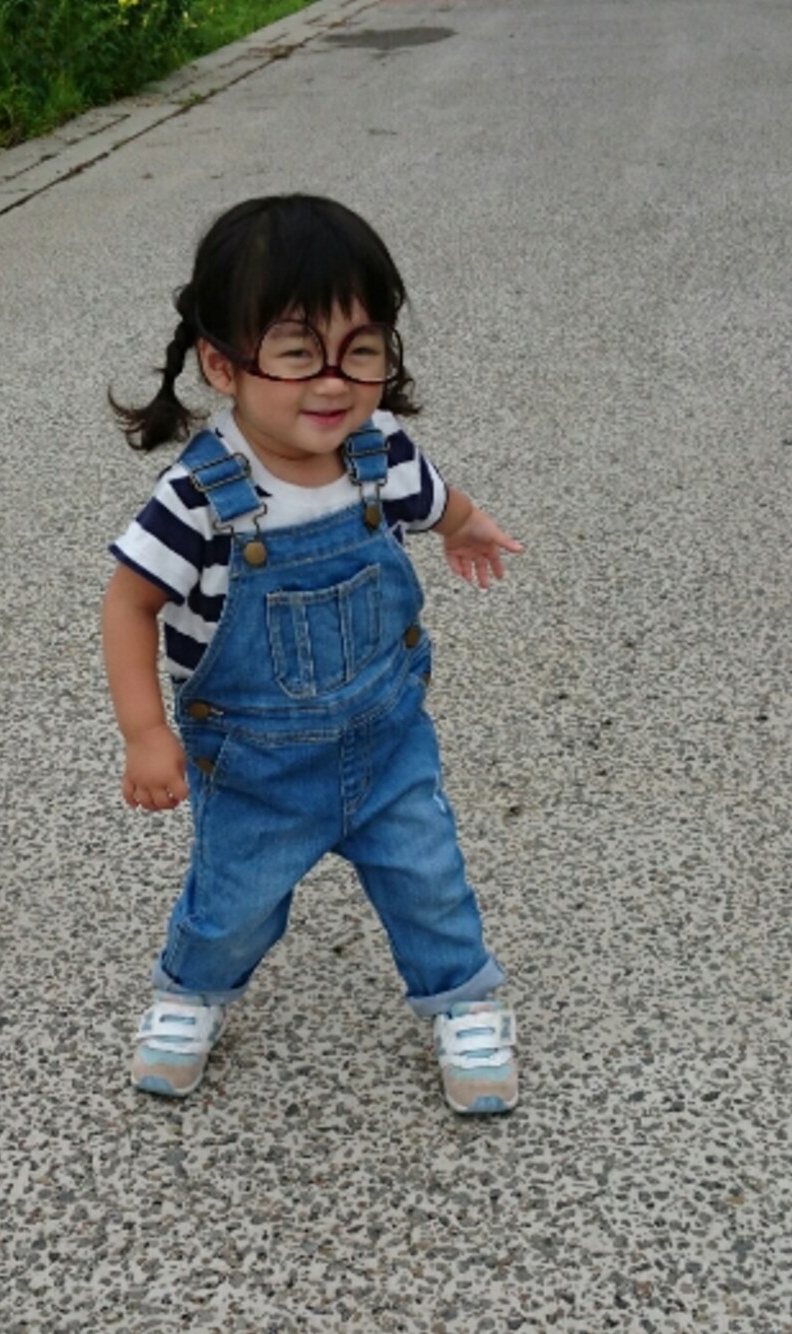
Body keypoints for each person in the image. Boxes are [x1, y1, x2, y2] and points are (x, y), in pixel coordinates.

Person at [102, 194, 523, 1114]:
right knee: (232, 902)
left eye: (360, 351)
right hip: (254, 768)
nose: (334, 384)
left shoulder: (382, 453)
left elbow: (436, 500)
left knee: (430, 881)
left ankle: (463, 999)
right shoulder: (197, 496)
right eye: (297, 353)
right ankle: (190, 993)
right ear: (222, 362)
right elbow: (129, 604)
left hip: (387, 743)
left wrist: (468, 527)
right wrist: (144, 733)